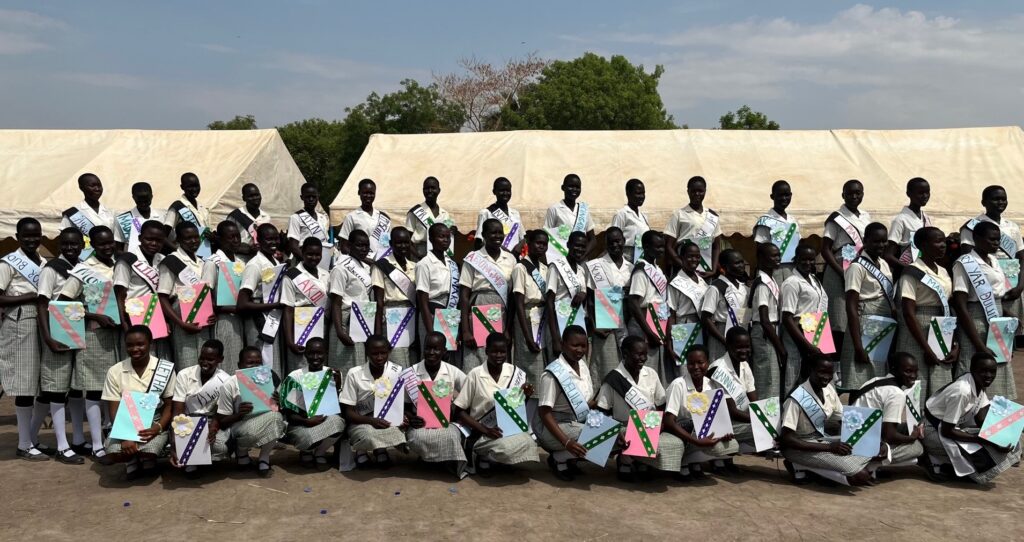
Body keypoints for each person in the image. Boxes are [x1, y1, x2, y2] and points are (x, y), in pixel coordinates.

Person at [58, 225, 121, 462]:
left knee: (115, 389)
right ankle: (96, 445)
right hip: (95, 336)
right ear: (92, 246)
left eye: (110, 242)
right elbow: (62, 303)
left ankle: (112, 436)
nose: (107, 247)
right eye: (101, 244)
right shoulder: (83, 270)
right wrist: (94, 316)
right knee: (95, 390)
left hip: (118, 335)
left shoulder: (119, 265)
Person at [923, 353, 1022, 484]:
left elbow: (981, 416)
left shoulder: (978, 383)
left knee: (1014, 439)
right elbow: (947, 431)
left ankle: (950, 464)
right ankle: (931, 457)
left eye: (992, 371)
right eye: (983, 371)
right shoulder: (962, 391)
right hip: (932, 431)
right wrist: (988, 441)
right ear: (972, 369)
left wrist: (1003, 432)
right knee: (984, 451)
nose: (988, 375)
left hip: (951, 427)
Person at [778, 355, 873, 486]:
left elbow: (842, 419)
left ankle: (814, 468)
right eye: (822, 372)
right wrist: (830, 447)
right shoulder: (796, 398)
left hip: (821, 439)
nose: (826, 377)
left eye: (830, 373)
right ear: (811, 370)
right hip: (799, 447)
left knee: (873, 448)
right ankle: (798, 464)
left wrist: (858, 439)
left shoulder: (829, 389)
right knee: (860, 476)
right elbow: (787, 439)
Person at [951, 221, 1020, 400]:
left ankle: (996, 417)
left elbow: (996, 295)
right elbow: (960, 304)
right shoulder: (965, 263)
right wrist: (980, 345)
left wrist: (1009, 315)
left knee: (999, 365)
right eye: (991, 240)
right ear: (976, 239)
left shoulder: (994, 260)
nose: (996, 244)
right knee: (975, 363)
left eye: (998, 240)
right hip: (974, 320)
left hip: (996, 319)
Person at [453, 333, 539, 474]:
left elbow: (516, 407)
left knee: (529, 443)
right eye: (494, 351)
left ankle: (498, 458)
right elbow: (459, 411)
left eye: (502, 351)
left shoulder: (515, 373)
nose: (498, 355)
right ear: (486, 351)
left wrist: (526, 396)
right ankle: (484, 457)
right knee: (507, 448)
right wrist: (485, 429)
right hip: (482, 431)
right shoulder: (475, 374)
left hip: (508, 429)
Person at [34, 227, 85, 464]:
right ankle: (62, 446)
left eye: (75, 244)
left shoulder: (85, 267)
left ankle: (77, 439)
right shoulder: (51, 269)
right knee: (56, 389)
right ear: (58, 246)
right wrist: (48, 338)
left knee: (75, 388)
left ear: (83, 246)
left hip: (79, 332)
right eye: (65, 244)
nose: (70, 247)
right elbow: (42, 304)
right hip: (58, 332)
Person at [102, 325, 176, 480]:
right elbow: (114, 410)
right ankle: (131, 461)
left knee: (149, 450)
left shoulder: (164, 368)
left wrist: (158, 427)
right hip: (125, 422)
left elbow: (169, 405)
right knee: (113, 452)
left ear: (151, 344)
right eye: (130, 345)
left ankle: (147, 459)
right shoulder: (115, 371)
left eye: (140, 344)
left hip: (154, 421)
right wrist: (125, 436)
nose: (135, 349)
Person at [595, 335, 673, 482]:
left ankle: (639, 460)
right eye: (638, 354)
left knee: (669, 446)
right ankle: (625, 460)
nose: (643, 358)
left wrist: (661, 424)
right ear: (625, 354)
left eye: (645, 354)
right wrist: (616, 433)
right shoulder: (613, 379)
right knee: (649, 446)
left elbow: (661, 403)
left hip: (649, 424)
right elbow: (601, 412)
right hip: (624, 427)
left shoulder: (651, 374)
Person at [1, 218, 47, 460]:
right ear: (17, 237)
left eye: (36, 235)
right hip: (20, 322)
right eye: (27, 235)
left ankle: (32, 438)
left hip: (42, 322)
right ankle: (24, 443)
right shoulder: (8, 263)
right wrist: (30, 296)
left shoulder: (44, 262)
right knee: (25, 385)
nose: (32, 239)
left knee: (45, 385)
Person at [896, 227, 959, 400]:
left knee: (941, 379)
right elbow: (908, 312)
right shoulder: (912, 272)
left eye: (944, 241)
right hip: (917, 327)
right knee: (917, 381)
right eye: (937, 241)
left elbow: (950, 305)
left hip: (942, 326)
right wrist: (927, 348)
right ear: (923, 245)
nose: (943, 245)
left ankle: (935, 424)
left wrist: (955, 343)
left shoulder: (944, 271)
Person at [663, 346, 738, 480]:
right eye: (691, 363)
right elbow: (669, 421)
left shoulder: (712, 385)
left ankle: (693, 460)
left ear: (707, 363)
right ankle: (684, 461)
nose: (696, 367)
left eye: (700, 362)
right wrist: (697, 441)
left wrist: (723, 433)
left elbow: (717, 417)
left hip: (701, 430)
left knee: (729, 445)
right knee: (694, 428)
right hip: (681, 430)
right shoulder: (678, 385)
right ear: (686, 364)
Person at [404, 332, 469, 478]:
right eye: (427, 348)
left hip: (447, 422)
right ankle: (426, 458)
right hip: (421, 424)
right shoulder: (411, 373)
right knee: (417, 437)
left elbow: (469, 391)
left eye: (436, 349)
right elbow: (405, 406)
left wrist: (455, 409)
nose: (431, 352)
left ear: (444, 351)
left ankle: (447, 461)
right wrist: (412, 417)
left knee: (451, 435)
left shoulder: (453, 371)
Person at [849, 353, 926, 474]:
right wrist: (911, 438)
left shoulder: (876, 380)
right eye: (908, 371)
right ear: (894, 369)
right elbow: (889, 436)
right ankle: (870, 465)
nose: (914, 376)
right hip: (861, 444)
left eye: (916, 371)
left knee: (907, 427)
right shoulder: (896, 393)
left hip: (851, 433)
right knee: (917, 448)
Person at [216, 347, 287, 477]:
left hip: (269, 420)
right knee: (273, 418)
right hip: (240, 426)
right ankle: (241, 451)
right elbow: (222, 421)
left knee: (276, 417)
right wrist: (239, 414)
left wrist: (280, 403)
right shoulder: (230, 384)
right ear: (239, 365)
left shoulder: (271, 378)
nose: (255, 367)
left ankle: (264, 457)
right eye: (250, 363)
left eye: (258, 363)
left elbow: (282, 410)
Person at [959, 185, 1024, 327]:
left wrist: (1020, 285)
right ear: (984, 202)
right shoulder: (973, 225)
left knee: (1009, 329)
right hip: (986, 280)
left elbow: (1021, 256)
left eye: (1003, 199)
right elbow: (968, 256)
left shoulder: (1012, 226)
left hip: (1012, 283)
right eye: (995, 199)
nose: (1000, 202)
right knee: (989, 327)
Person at [841, 222, 896, 389]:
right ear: (865, 241)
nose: (881, 245)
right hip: (864, 322)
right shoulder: (856, 267)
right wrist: (858, 346)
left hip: (884, 322)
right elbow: (851, 306)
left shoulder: (884, 264)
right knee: (860, 378)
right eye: (876, 241)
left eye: (884, 241)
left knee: (878, 376)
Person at [537, 326, 596, 481]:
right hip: (553, 427)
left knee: (615, 435)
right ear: (562, 344)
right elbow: (544, 413)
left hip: (576, 421)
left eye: (583, 346)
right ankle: (559, 458)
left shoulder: (582, 365)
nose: (579, 350)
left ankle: (571, 458)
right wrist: (566, 442)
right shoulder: (552, 374)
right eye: (575, 345)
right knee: (603, 436)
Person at [340, 335, 408, 468]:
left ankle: (380, 450)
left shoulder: (397, 371)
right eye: (374, 353)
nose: (379, 357)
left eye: (383, 353)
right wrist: (372, 421)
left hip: (387, 421)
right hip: (361, 421)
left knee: (398, 433)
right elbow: (348, 413)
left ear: (389, 352)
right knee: (368, 435)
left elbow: (401, 404)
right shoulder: (355, 373)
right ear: (367, 353)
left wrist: (403, 417)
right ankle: (361, 450)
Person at [279, 337, 345, 470]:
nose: (315, 357)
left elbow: (336, 408)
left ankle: (320, 452)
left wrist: (337, 387)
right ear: (305, 355)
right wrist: (306, 421)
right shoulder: (294, 377)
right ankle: (307, 451)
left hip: (324, 420)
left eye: (320, 353)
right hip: (301, 424)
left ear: (326, 354)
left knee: (338, 422)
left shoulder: (332, 374)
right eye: (311, 353)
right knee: (307, 437)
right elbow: (289, 414)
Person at [821, 180, 871, 353]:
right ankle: (833, 365)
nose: (854, 196)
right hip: (838, 268)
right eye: (850, 193)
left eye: (858, 193)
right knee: (838, 318)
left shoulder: (866, 216)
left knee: (856, 315)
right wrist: (840, 272)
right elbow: (825, 249)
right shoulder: (836, 218)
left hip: (859, 268)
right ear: (843, 195)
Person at [460, 219, 516, 371]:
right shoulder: (473, 258)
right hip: (479, 304)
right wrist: (465, 330)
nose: (497, 236)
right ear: (484, 235)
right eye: (492, 232)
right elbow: (464, 295)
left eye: (500, 232)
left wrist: (509, 329)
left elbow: (512, 296)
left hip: (502, 308)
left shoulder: (510, 259)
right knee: (477, 353)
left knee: (498, 353)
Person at [170, 339, 231, 476]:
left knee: (220, 447)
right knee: (181, 447)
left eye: (210, 359)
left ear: (220, 359)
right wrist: (176, 441)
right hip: (186, 421)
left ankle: (200, 459)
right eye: (202, 358)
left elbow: (220, 411)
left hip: (210, 421)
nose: (204, 362)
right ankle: (192, 461)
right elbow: (178, 410)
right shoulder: (184, 375)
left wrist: (214, 428)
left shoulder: (225, 380)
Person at [158, 222, 214, 370]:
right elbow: (162, 297)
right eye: (188, 238)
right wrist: (181, 324)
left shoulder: (202, 262)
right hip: (182, 318)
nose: (193, 241)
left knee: (206, 365)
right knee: (187, 364)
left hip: (204, 321)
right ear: (179, 240)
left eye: (196, 237)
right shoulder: (171, 261)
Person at [113, 220, 172, 360]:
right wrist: (126, 328)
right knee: (136, 363)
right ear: (140, 238)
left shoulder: (164, 260)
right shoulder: (127, 260)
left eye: (158, 240)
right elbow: (119, 296)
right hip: (134, 319)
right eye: (149, 239)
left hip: (158, 319)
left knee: (159, 361)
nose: (153, 243)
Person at [237, 223, 288, 373]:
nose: (273, 243)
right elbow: (242, 304)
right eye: (269, 239)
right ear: (258, 240)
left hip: (274, 317)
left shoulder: (276, 262)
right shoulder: (254, 265)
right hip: (258, 320)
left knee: (275, 362)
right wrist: (274, 305)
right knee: (261, 364)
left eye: (276, 239)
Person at [586, 226, 633, 384]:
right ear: (605, 244)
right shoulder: (596, 265)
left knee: (626, 364)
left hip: (627, 321)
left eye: (618, 241)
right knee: (605, 364)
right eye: (610, 242)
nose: (615, 245)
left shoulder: (631, 267)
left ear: (624, 241)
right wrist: (594, 324)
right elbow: (590, 297)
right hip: (605, 322)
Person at [780, 244, 829, 394]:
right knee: (794, 373)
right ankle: (790, 409)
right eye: (804, 259)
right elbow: (787, 317)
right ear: (796, 260)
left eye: (811, 259)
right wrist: (806, 345)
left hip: (817, 330)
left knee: (814, 377)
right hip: (798, 333)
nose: (808, 263)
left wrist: (821, 339)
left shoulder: (814, 280)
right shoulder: (792, 282)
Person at [626, 231, 671, 385]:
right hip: (644, 325)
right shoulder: (641, 270)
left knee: (656, 370)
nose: (661, 250)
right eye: (657, 246)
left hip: (658, 322)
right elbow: (633, 302)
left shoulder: (657, 269)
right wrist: (648, 332)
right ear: (646, 247)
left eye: (662, 247)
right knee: (645, 368)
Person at [708, 326, 759, 461]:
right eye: (739, 347)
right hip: (719, 422)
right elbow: (730, 410)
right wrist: (759, 420)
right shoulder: (718, 369)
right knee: (760, 428)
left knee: (770, 429)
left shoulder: (744, 365)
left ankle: (728, 457)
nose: (744, 351)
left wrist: (762, 416)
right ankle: (719, 459)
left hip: (738, 419)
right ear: (728, 346)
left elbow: (753, 397)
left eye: (747, 346)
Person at [328, 229, 374, 375]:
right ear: (349, 245)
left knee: (360, 362)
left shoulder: (365, 267)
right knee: (345, 364)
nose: (364, 249)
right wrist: (340, 332)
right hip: (345, 319)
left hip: (363, 318)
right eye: (360, 245)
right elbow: (336, 302)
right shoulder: (340, 269)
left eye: (366, 246)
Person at [202, 221, 246, 371]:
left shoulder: (240, 262)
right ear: (219, 238)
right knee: (228, 360)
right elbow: (205, 296)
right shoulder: (212, 262)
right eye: (230, 237)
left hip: (241, 316)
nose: (235, 241)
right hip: (224, 318)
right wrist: (223, 308)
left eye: (237, 237)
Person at [282, 237, 331, 373]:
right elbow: (288, 309)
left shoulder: (326, 274)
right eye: (310, 254)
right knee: (301, 366)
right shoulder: (291, 275)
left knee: (319, 365)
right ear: (302, 252)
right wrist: (290, 340)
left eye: (317, 254)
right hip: (300, 325)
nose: (314, 258)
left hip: (322, 323)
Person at [510, 229, 550, 396]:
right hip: (526, 316)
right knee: (528, 361)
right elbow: (518, 302)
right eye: (538, 243)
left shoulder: (545, 269)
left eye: (544, 244)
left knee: (542, 362)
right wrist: (527, 336)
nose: (541, 247)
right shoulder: (520, 267)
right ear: (529, 244)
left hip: (542, 317)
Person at [372, 227, 417, 367]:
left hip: (412, 314)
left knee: (413, 359)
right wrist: (378, 333)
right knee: (398, 361)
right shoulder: (381, 265)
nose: (403, 246)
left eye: (406, 242)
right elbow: (379, 302)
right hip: (393, 315)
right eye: (398, 242)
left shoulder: (415, 266)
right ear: (391, 243)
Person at [414, 223, 460, 360]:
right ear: (431, 239)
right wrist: (430, 332)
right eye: (441, 236)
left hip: (450, 313)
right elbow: (422, 300)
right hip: (432, 314)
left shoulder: (451, 263)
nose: (446, 240)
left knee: (448, 357)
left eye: (448, 237)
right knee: (432, 356)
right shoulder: (424, 264)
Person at [665, 242, 708, 376]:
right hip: (683, 328)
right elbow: (671, 313)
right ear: (681, 257)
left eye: (697, 256)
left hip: (702, 326)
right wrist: (670, 341)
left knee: (700, 369)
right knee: (685, 370)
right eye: (690, 256)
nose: (694, 260)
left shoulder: (701, 280)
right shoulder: (676, 282)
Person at [664, 176, 720, 277]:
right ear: (688, 191)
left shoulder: (711, 216)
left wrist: (714, 270)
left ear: (705, 191)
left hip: (705, 269)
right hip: (683, 268)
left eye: (700, 191)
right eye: (693, 191)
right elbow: (668, 245)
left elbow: (716, 246)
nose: (697, 194)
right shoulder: (679, 214)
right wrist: (682, 264)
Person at [700, 249, 749, 362]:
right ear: (725, 267)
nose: (741, 266)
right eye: (737, 263)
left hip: (740, 331)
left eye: (742, 262)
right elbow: (706, 317)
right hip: (721, 333)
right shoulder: (715, 287)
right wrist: (724, 340)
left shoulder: (744, 288)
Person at [748, 243, 784, 398]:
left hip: (771, 330)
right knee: (767, 377)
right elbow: (764, 318)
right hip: (765, 332)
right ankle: (765, 417)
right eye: (773, 255)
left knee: (773, 376)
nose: (777, 259)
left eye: (778, 255)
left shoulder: (771, 280)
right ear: (761, 258)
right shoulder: (763, 283)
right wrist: (780, 347)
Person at [546, 231, 590, 356]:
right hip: (559, 323)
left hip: (576, 321)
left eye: (583, 246)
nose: (580, 249)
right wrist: (555, 339)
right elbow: (549, 301)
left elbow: (583, 292)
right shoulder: (556, 267)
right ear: (568, 244)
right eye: (577, 245)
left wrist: (583, 294)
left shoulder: (581, 270)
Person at [60, 173, 116, 259]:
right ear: (82, 188)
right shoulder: (73, 213)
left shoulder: (110, 212)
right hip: (84, 260)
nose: (97, 189)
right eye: (92, 186)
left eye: (99, 185)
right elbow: (64, 240)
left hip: (107, 258)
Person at [753, 180, 800, 282]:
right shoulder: (765, 221)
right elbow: (760, 249)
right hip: (774, 270)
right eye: (780, 195)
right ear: (772, 196)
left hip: (793, 269)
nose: (784, 198)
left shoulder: (793, 221)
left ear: (791, 195)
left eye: (787, 195)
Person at [884, 177, 932, 272]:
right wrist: (909, 269)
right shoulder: (900, 220)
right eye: (920, 193)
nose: (925, 196)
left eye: (927, 192)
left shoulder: (926, 218)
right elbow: (888, 255)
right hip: (908, 271)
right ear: (909, 194)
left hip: (925, 271)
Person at [544, 173, 597, 257]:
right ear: (563, 188)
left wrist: (583, 255)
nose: (574, 189)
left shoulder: (583, 210)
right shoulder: (554, 209)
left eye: (577, 187)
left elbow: (593, 239)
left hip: (581, 258)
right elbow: (548, 236)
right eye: (571, 186)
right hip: (561, 258)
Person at [405, 176, 457, 259]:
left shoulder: (445, 214)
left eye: (433, 188)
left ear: (439, 190)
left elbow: (449, 232)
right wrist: (417, 255)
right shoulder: (415, 212)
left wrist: (453, 230)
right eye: (426, 188)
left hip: (440, 253)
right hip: (420, 252)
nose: (430, 191)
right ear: (423, 190)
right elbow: (406, 239)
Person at [339, 178, 391, 259]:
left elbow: (385, 244)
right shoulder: (351, 217)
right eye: (365, 193)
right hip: (361, 264)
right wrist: (364, 260)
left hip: (381, 263)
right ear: (359, 193)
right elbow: (344, 247)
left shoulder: (384, 217)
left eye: (371, 193)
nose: (368, 196)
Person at [163, 172, 212, 257]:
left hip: (205, 253)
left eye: (196, 186)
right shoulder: (177, 206)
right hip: (186, 255)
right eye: (190, 186)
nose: (194, 189)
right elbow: (163, 235)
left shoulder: (203, 208)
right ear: (182, 187)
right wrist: (178, 251)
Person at [287, 182, 333, 268]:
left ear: (318, 197)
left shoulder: (323, 218)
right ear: (302, 197)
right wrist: (307, 262)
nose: (311, 199)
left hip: (320, 261)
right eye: (308, 197)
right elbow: (293, 245)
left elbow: (326, 243)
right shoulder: (296, 218)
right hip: (303, 261)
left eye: (314, 197)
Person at [475, 177, 525, 255]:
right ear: (494, 192)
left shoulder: (515, 213)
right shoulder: (486, 213)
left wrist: (516, 251)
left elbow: (522, 238)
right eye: (502, 190)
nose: (505, 193)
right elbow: (479, 240)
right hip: (494, 257)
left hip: (514, 258)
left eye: (508, 190)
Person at [114, 181, 165, 254]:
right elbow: (118, 248)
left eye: (147, 200)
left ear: (152, 196)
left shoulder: (162, 216)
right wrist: (130, 258)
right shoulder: (124, 219)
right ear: (133, 197)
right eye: (140, 201)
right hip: (133, 262)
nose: (143, 204)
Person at [610, 178, 650, 263]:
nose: (642, 196)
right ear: (628, 194)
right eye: (638, 193)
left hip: (641, 256)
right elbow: (614, 238)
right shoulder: (622, 214)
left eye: (643, 193)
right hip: (627, 258)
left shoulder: (644, 216)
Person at [226, 182, 271, 258]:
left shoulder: (266, 217)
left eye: (257, 195)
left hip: (261, 259)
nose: (255, 198)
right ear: (244, 198)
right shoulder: (235, 215)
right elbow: (226, 241)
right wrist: (246, 249)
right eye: (251, 196)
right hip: (240, 259)